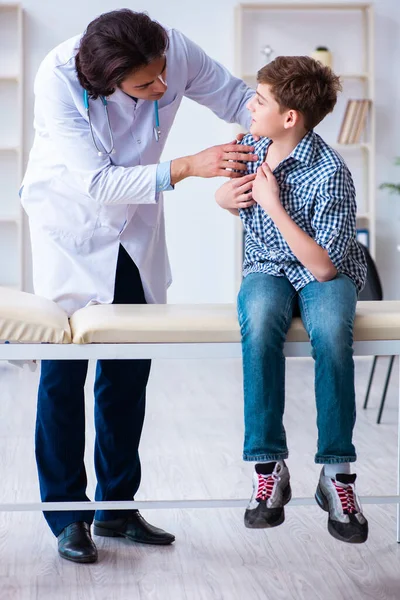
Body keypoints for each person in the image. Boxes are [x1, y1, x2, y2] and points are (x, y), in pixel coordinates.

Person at [20, 9, 257, 563]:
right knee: (62, 374)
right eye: (146, 84)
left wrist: (285, 124)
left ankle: (117, 509)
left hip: (137, 223)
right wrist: (188, 166)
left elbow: (239, 98)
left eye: (162, 74)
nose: (164, 87)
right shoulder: (58, 77)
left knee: (129, 367)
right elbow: (98, 183)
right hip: (71, 224)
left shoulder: (171, 51)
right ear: (103, 81)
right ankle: (66, 518)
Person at [215, 56, 369, 544]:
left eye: (259, 101)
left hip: (323, 270)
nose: (250, 106)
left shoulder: (331, 173)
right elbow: (223, 191)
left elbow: (324, 267)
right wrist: (226, 197)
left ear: (290, 118)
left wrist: (272, 204)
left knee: (330, 334)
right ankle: (269, 467)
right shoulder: (252, 145)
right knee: (259, 322)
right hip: (268, 269)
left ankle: (336, 475)